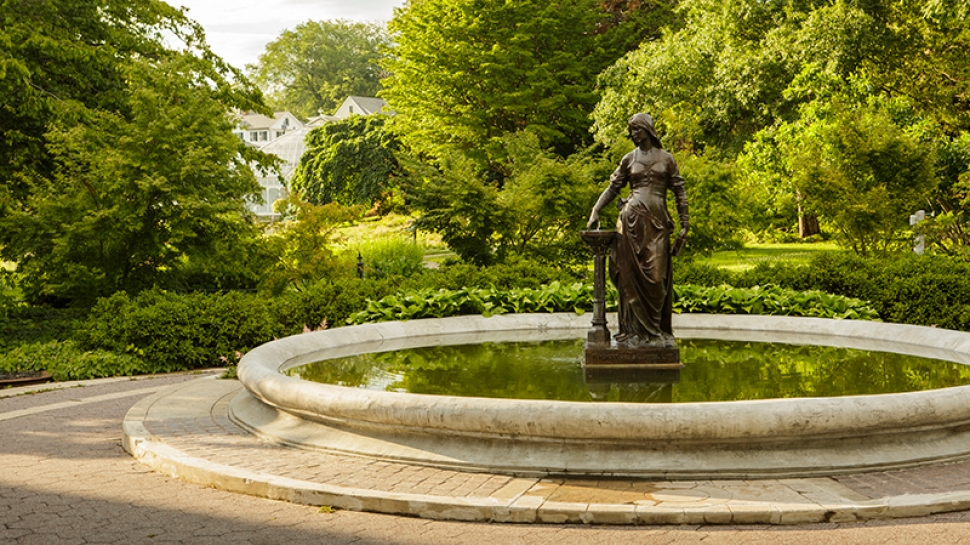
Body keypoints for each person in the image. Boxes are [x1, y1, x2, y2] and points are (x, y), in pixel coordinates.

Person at [587, 113, 688, 348]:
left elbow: (679, 192)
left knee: (656, 278)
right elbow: (613, 188)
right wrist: (596, 209)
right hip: (629, 223)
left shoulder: (667, 159)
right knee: (627, 278)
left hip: (657, 224)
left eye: (636, 129)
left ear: (647, 129)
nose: (632, 134)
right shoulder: (629, 159)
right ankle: (634, 333)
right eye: (630, 130)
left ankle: (655, 331)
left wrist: (685, 223)